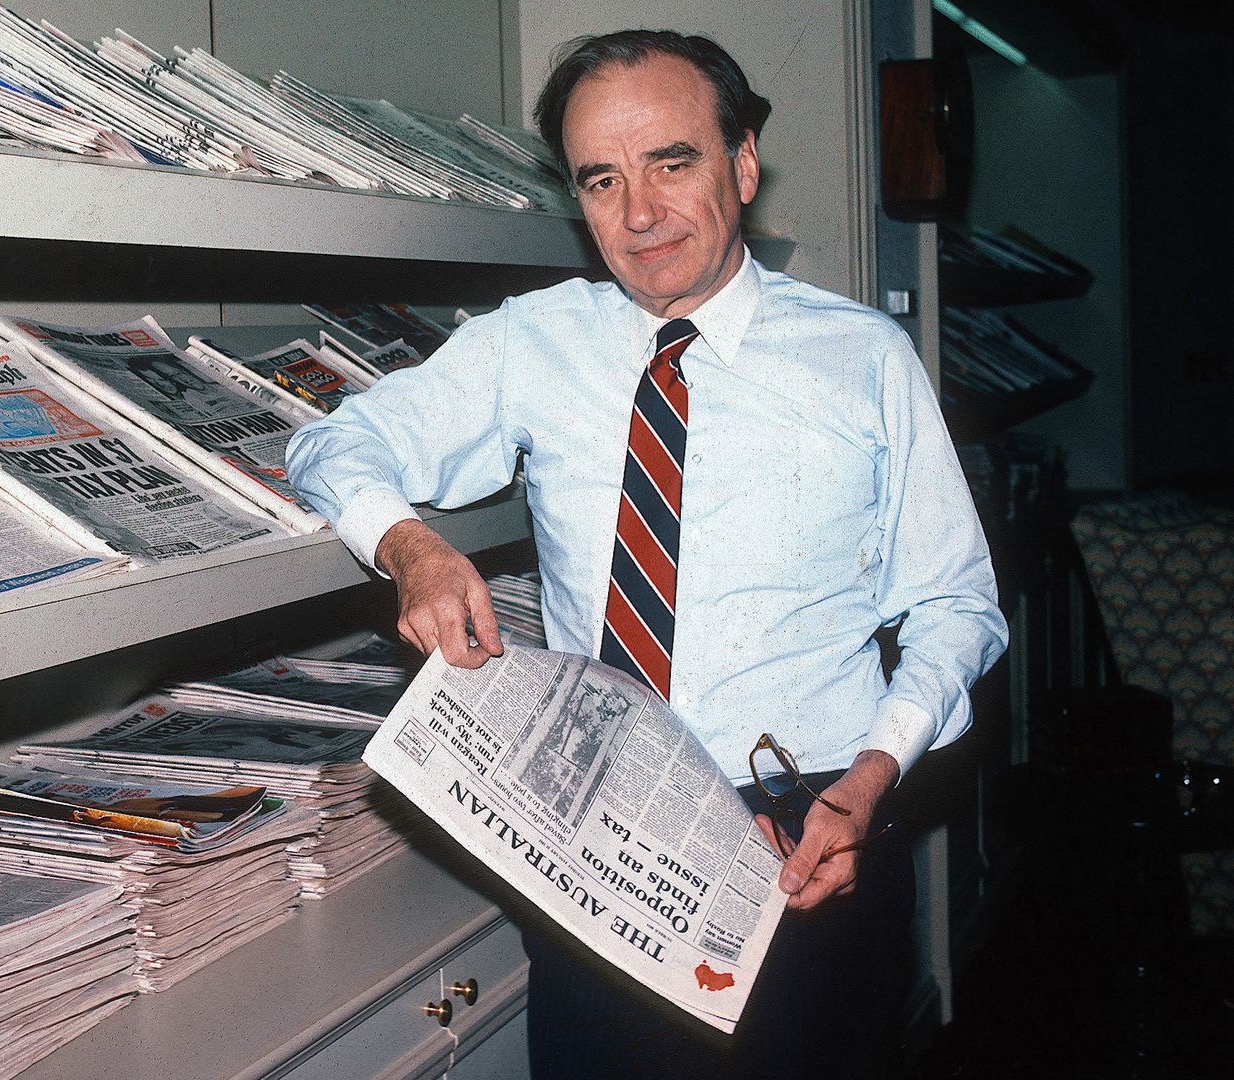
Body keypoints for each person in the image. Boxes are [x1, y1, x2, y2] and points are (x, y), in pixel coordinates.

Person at [285, 29, 1007, 1079]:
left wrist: (874, 773)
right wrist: (409, 548)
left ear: (742, 163)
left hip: (809, 829)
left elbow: (956, 605)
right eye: (601, 179)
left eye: (673, 162)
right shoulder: (531, 341)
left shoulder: (863, 359)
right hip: (594, 837)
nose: (639, 215)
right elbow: (330, 441)